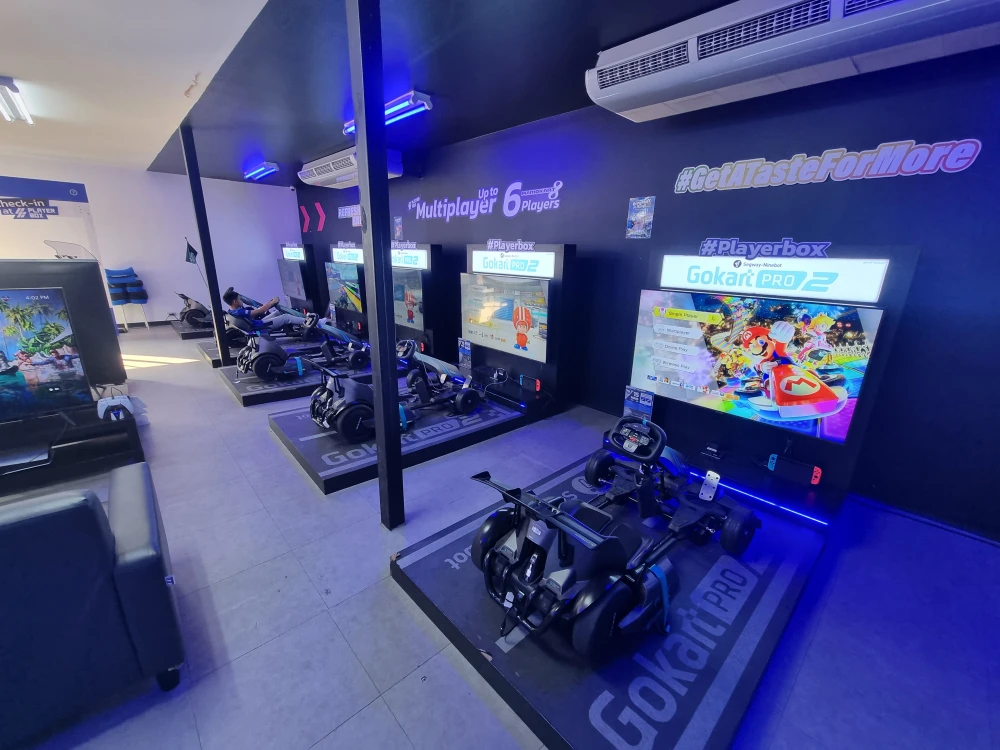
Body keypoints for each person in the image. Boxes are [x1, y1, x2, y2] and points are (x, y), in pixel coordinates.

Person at [222, 289, 317, 333]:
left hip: (257, 323)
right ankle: (312, 322)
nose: (241, 301)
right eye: (240, 299)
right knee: (286, 317)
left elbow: (258, 311)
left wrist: (269, 304)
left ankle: (304, 319)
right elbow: (259, 312)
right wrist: (272, 302)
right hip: (261, 326)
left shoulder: (232, 311)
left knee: (278, 313)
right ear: (235, 302)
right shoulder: (239, 312)